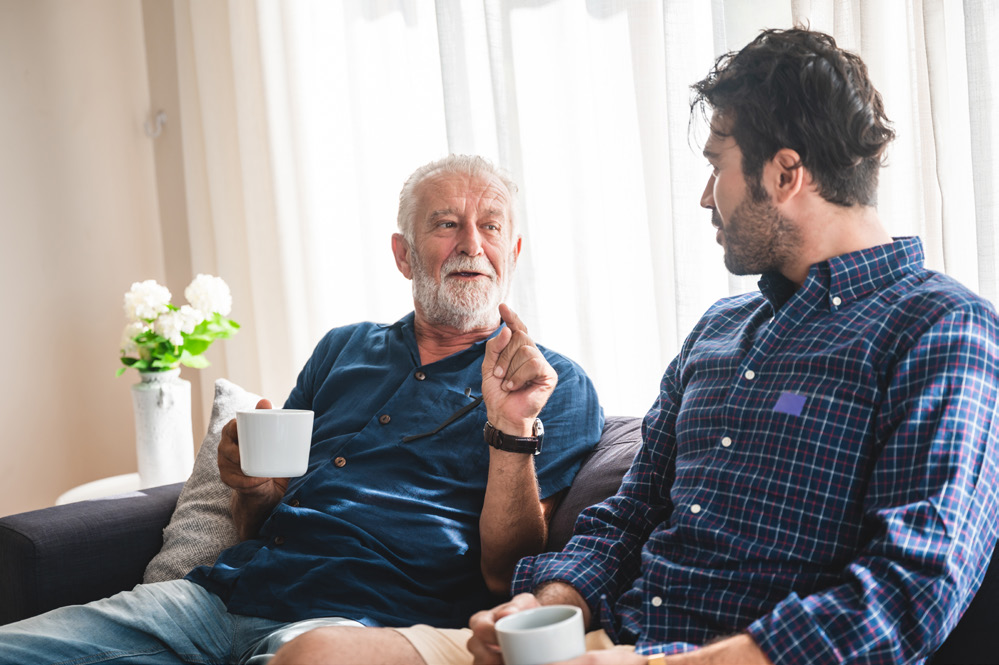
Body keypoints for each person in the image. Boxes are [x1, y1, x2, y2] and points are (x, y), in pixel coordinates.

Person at [456, 28, 999, 665]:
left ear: (785, 172)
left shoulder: (942, 329)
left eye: (717, 166)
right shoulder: (719, 330)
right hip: (616, 642)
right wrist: (550, 602)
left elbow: (910, 593)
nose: (707, 196)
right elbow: (634, 511)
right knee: (323, 650)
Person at [0, 155, 603, 665]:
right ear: (403, 253)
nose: (472, 244)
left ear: (513, 250)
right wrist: (251, 485)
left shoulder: (551, 384)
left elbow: (509, 572)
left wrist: (511, 427)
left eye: (491, 227)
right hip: (217, 598)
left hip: (358, 624)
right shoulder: (345, 348)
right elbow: (259, 520)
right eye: (446, 224)